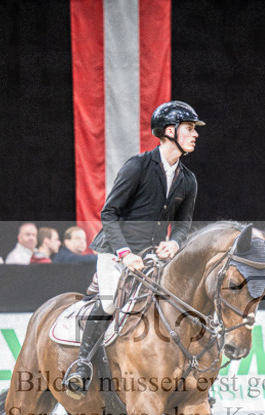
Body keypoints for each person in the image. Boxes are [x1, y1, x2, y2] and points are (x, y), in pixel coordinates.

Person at [64, 100, 203, 396]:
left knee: (178, 301)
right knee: (111, 302)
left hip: (152, 255)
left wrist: (175, 243)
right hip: (115, 252)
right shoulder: (138, 166)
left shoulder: (188, 179)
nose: (195, 134)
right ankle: (81, 365)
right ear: (169, 131)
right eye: (189, 128)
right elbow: (109, 214)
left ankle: (186, 373)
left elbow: (183, 223)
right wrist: (125, 254)